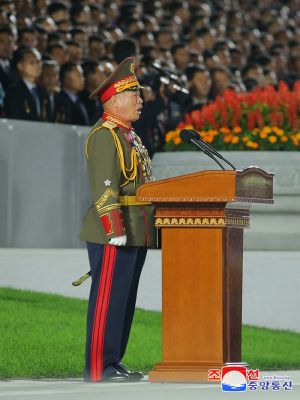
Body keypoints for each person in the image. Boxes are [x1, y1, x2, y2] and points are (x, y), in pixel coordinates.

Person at [79, 57, 155, 382]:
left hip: (135, 229)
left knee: (123, 300)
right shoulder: (104, 135)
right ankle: (99, 366)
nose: (140, 100)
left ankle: (114, 360)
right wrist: (114, 227)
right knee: (108, 299)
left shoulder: (128, 135)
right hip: (114, 230)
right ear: (114, 99)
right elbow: (104, 184)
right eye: (134, 94)